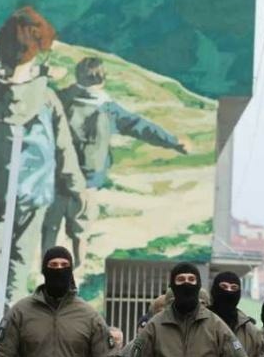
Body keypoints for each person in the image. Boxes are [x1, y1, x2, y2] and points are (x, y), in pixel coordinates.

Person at [0, 7, 84, 309]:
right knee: (21, 257)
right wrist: (77, 192)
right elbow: (64, 151)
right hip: (34, 193)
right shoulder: (47, 98)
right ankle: (12, 308)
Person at [42, 56, 187, 260]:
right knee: (80, 233)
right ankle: (77, 269)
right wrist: (173, 142)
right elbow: (140, 126)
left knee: (51, 228)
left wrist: (44, 75)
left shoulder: (60, 99)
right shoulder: (109, 109)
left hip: (57, 176)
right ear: (103, 80)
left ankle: (47, 270)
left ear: (77, 76)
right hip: (89, 181)